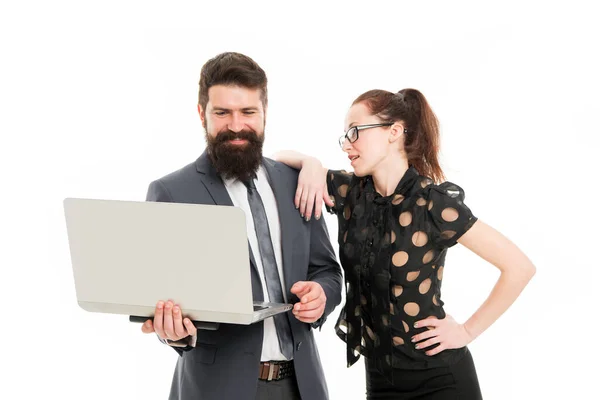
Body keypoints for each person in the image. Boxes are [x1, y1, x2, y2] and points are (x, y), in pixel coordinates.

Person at [274, 88, 536, 399]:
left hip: (441, 380)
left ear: (394, 132)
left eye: (355, 132)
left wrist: (466, 331)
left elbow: (519, 267)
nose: (347, 144)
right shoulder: (350, 193)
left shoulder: (432, 204)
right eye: (345, 135)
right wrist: (311, 163)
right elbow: (276, 163)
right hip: (381, 381)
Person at [140, 52, 343, 400]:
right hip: (216, 389)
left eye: (248, 112)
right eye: (223, 113)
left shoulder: (298, 182)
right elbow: (160, 298)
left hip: (302, 386)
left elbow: (327, 270)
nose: (236, 125)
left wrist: (323, 295)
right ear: (202, 113)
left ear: (264, 112)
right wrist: (174, 333)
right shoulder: (172, 192)